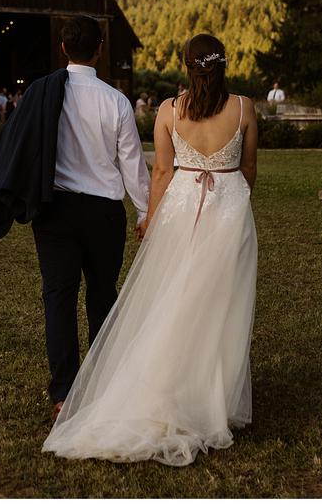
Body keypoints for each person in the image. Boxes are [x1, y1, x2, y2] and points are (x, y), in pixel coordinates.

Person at [43, 32, 256, 466]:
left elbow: (160, 170)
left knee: (174, 299)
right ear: (223, 64)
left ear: (186, 66)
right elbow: (250, 169)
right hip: (231, 209)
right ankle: (208, 398)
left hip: (180, 206)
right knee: (221, 304)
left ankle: (173, 389)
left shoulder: (168, 110)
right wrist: (227, 199)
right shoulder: (244, 107)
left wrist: (150, 219)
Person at [0, 16, 149, 433]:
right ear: (100, 49)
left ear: (64, 49)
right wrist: (144, 210)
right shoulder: (116, 101)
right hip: (104, 212)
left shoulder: (40, 93)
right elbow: (131, 164)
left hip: (54, 211)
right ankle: (105, 385)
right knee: (103, 295)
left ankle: (64, 393)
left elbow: (19, 144)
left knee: (58, 298)